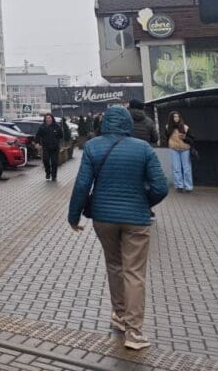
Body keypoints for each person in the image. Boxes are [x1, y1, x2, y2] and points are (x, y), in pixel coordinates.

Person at [68, 105, 169, 351]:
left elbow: (82, 186)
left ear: (105, 123)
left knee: (114, 266)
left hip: (103, 218)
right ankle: (134, 332)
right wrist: (144, 203)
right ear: (128, 123)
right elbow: (160, 187)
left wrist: (73, 217)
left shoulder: (93, 147)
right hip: (136, 220)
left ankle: (119, 314)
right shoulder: (143, 148)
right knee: (134, 272)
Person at [165, 111, 194, 192]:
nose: (176, 118)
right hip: (174, 148)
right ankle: (179, 186)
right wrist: (170, 143)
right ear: (171, 118)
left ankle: (188, 187)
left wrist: (185, 138)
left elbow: (192, 139)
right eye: (174, 117)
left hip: (185, 149)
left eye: (178, 116)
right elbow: (166, 137)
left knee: (186, 168)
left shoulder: (185, 127)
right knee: (176, 168)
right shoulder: (168, 127)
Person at [36, 113, 64, 181]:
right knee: (46, 160)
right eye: (47, 118)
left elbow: (61, 135)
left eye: (49, 118)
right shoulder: (42, 127)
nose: (48, 119)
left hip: (55, 147)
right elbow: (38, 136)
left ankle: (54, 176)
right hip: (46, 147)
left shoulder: (56, 126)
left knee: (54, 162)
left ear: (52, 119)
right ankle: (48, 173)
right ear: (45, 119)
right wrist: (38, 143)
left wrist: (57, 141)